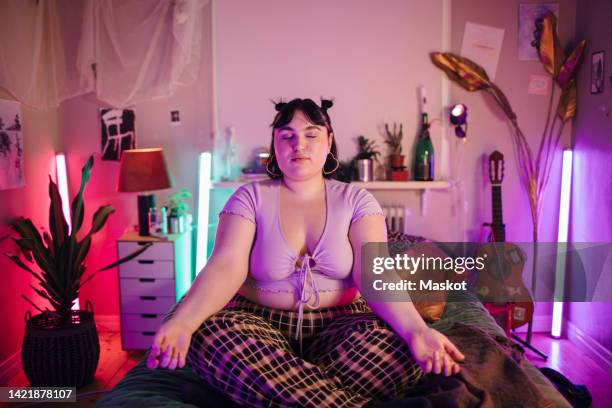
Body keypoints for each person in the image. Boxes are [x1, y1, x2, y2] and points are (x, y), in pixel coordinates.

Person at [147, 98, 465, 407]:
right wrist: (184, 323)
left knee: (397, 345)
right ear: (275, 145)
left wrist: (416, 330)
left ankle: (256, 393)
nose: (299, 144)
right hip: (259, 324)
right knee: (210, 336)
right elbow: (226, 265)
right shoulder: (249, 197)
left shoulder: (357, 200)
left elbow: (376, 271)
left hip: (341, 326)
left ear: (329, 142)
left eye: (311, 134)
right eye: (287, 136)